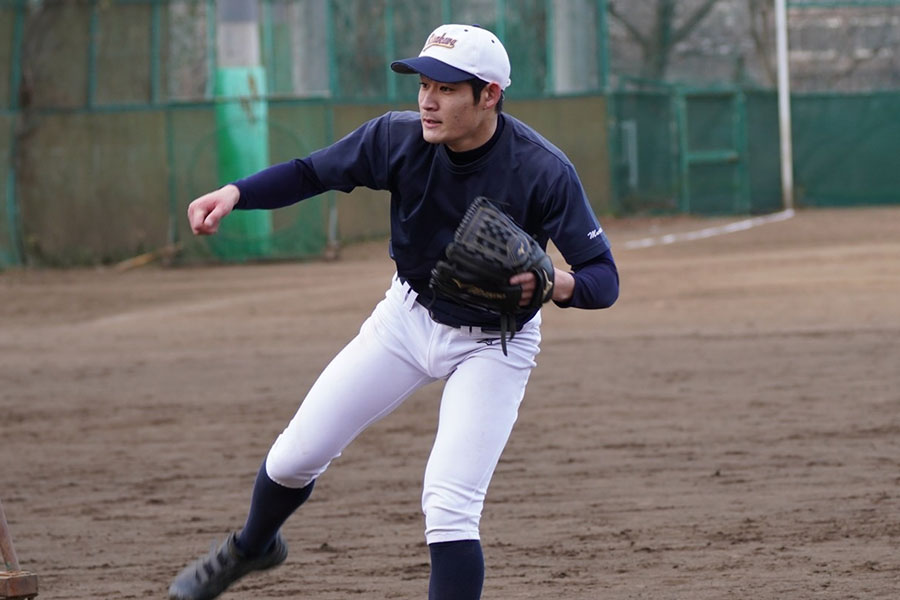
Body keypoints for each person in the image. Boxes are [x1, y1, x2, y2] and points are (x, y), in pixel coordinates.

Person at [168, 23, 619, 600]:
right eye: (424, 84)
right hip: (406, 318)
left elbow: (604, 280)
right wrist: (235, 193)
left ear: (490, 96)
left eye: (449, 89)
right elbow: (312, 172)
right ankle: (253, 546)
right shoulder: (396, 139)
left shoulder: (541, 169)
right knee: (294, 456)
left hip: (494, 344)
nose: (428, 100)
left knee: (449, 504)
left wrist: (554, 281)